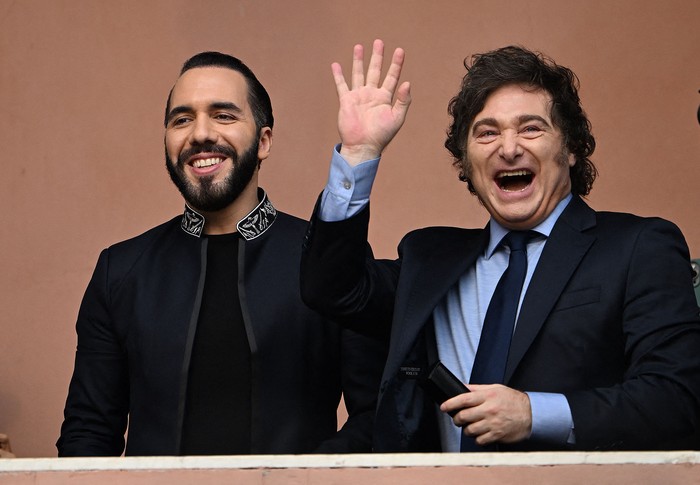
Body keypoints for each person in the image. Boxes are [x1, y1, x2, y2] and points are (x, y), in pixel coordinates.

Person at [300, 40, 700, 451]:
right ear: (467, 162)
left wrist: (534, 414)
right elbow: (332, 288)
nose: (508, 149)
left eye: (531, 128)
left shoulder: (639, 247)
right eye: (487, 133)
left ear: (572, 149)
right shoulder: (429, 259)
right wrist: (359, 153)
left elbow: (676, 402)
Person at [57, 51, 387, 456]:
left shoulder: (329, 263)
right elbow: (87, 434)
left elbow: (377, 418)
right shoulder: (120, 271)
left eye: (224, 115)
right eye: (181, 119)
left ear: (264, 141)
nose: (199, 134)